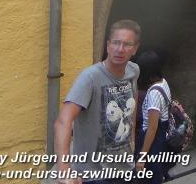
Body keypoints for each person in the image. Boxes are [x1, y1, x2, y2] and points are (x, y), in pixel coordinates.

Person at [54, 19, 142, 183]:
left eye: (127, 44)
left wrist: (133, 144)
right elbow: (63, 121)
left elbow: (133, 102)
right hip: (95, 175)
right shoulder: (90, 77)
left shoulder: (133, 71)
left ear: (135, 48)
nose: (120, 49)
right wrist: (63, 168)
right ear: (108, 45)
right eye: (116, 43)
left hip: (126, 170)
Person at [135, 51, 173, 184]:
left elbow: (152, 128)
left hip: (151, 142)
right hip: (160, 139)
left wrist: (142, 157)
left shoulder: (154, 94)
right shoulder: (164, 83)